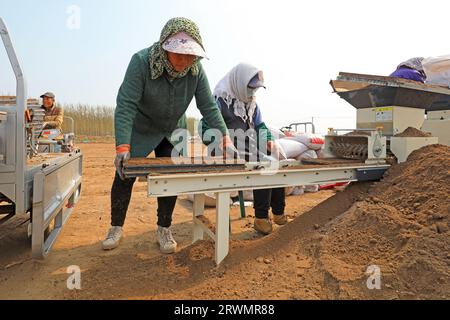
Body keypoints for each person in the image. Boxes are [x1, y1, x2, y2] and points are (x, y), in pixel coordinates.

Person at [102, 17, 234, 253]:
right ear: (164, 48)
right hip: (141, 128)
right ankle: (116, 227)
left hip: (173, 129)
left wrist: (224, 138)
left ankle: (164, 228)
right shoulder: (141, 62)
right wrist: (123, 146)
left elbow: (208, 106)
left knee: (171, 176)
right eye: (178, 55)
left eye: (190, 56)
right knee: (124, 174)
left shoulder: (196, 70)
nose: (184, 62)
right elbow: (126, 104)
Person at [201, 63, 288, 235]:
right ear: (239, 83)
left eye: (255, 89)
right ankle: (261, 218)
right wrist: (220, 142)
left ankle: (278, 212)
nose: (252, 93)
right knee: (265, 166)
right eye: (250, 88)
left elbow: (260, 126)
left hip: (247, 151)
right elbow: (204, 129)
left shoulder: (252, 104)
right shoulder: (220, 100)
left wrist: (270, 141)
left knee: (275, 164)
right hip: (224, 152)